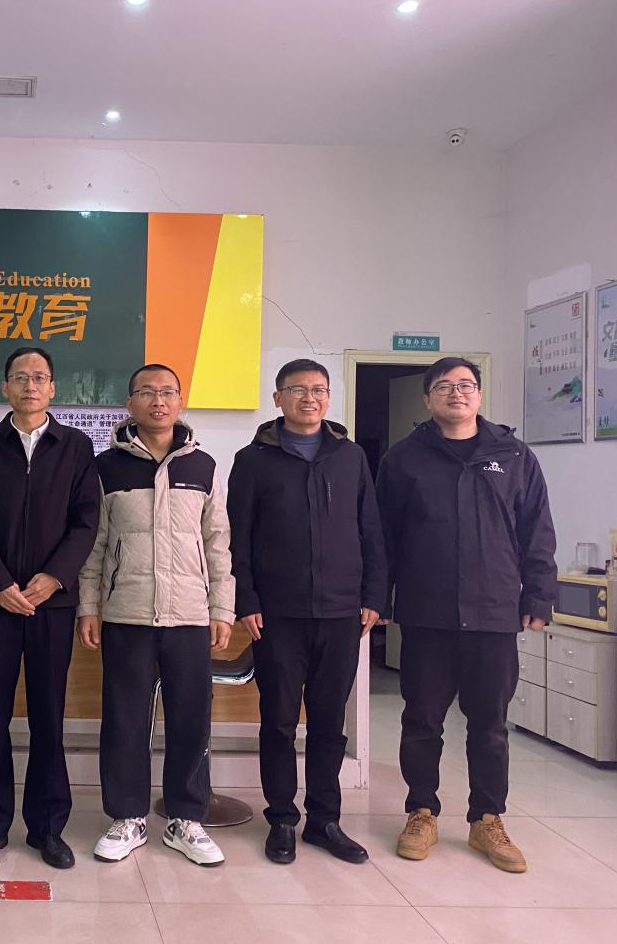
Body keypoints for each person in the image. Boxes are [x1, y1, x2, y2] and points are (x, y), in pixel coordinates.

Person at [377, 357, 556, 873]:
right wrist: (377, 599)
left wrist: (539, 595)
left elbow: (537, 531)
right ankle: (421, 811)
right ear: (427, 398)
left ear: (478, 394)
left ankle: (487, 819)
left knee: (489, 724)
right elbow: (382, 537)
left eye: (466, 385)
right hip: (426, 612)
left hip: (493, 613)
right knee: (421, 720)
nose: (457, 393)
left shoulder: (514, 456)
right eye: (444, 386)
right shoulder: (404, 458)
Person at [227, 359, 387, 866]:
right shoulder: (253, 460)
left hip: (341, 612)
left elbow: (371, 529)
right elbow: (238, 538)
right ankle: (281, 819)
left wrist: (374, 596)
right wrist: (246, 600)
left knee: (328, 722)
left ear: (328, 397)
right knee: (277, 720)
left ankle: (324, 820)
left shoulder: (350, 457)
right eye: (297, 390)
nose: (309, 398)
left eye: (318, 389)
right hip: (277, 615)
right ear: (278, 398)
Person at [77, 364, 234, 867]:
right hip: (128, 613)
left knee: (191, 719)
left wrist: (222, 608)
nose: (158, 401)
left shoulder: (203, 466)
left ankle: (186, 819)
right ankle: (128, 817)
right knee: (125, 719)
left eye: (167, 392)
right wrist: (88, 605)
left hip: (189, 614)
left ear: (180, 401)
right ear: (130, 403)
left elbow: (218, 543)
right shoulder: (106, 468)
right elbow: (94, 545)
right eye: (147, 392)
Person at [0, 346, 100, 870]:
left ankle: (47, 828)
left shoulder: (76, 447)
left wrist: (54, 577)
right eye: (21, 377)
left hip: (52, 606)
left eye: (40, 377)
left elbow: (86, 521)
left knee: (48, 716)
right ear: (5, 387)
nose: (31, 386)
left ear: (53, 388)